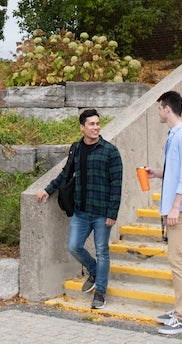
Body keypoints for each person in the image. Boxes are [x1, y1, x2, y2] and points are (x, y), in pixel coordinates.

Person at [35, 108, 123, 310]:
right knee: (73, 246)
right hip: (81, 212)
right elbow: (65, 174)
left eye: (98, 124)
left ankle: (100, 291)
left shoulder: (110, 151)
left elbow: (117, 183)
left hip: (101, 213)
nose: (96, 127)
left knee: (102, 251)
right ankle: (93, 270)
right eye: (91, 124)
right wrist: (48, 190)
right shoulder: (76, 149)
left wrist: (112, 213)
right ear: (82, 127)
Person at [146, 90, 182, 335]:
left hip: (180, 208)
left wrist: (176, 206)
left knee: (176, 260)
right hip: (175, 207)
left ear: (167, 109)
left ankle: (181, 317)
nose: (158, 112)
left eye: (159, 108)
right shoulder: (176, 135)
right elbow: (177, 172)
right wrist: (157, 174)